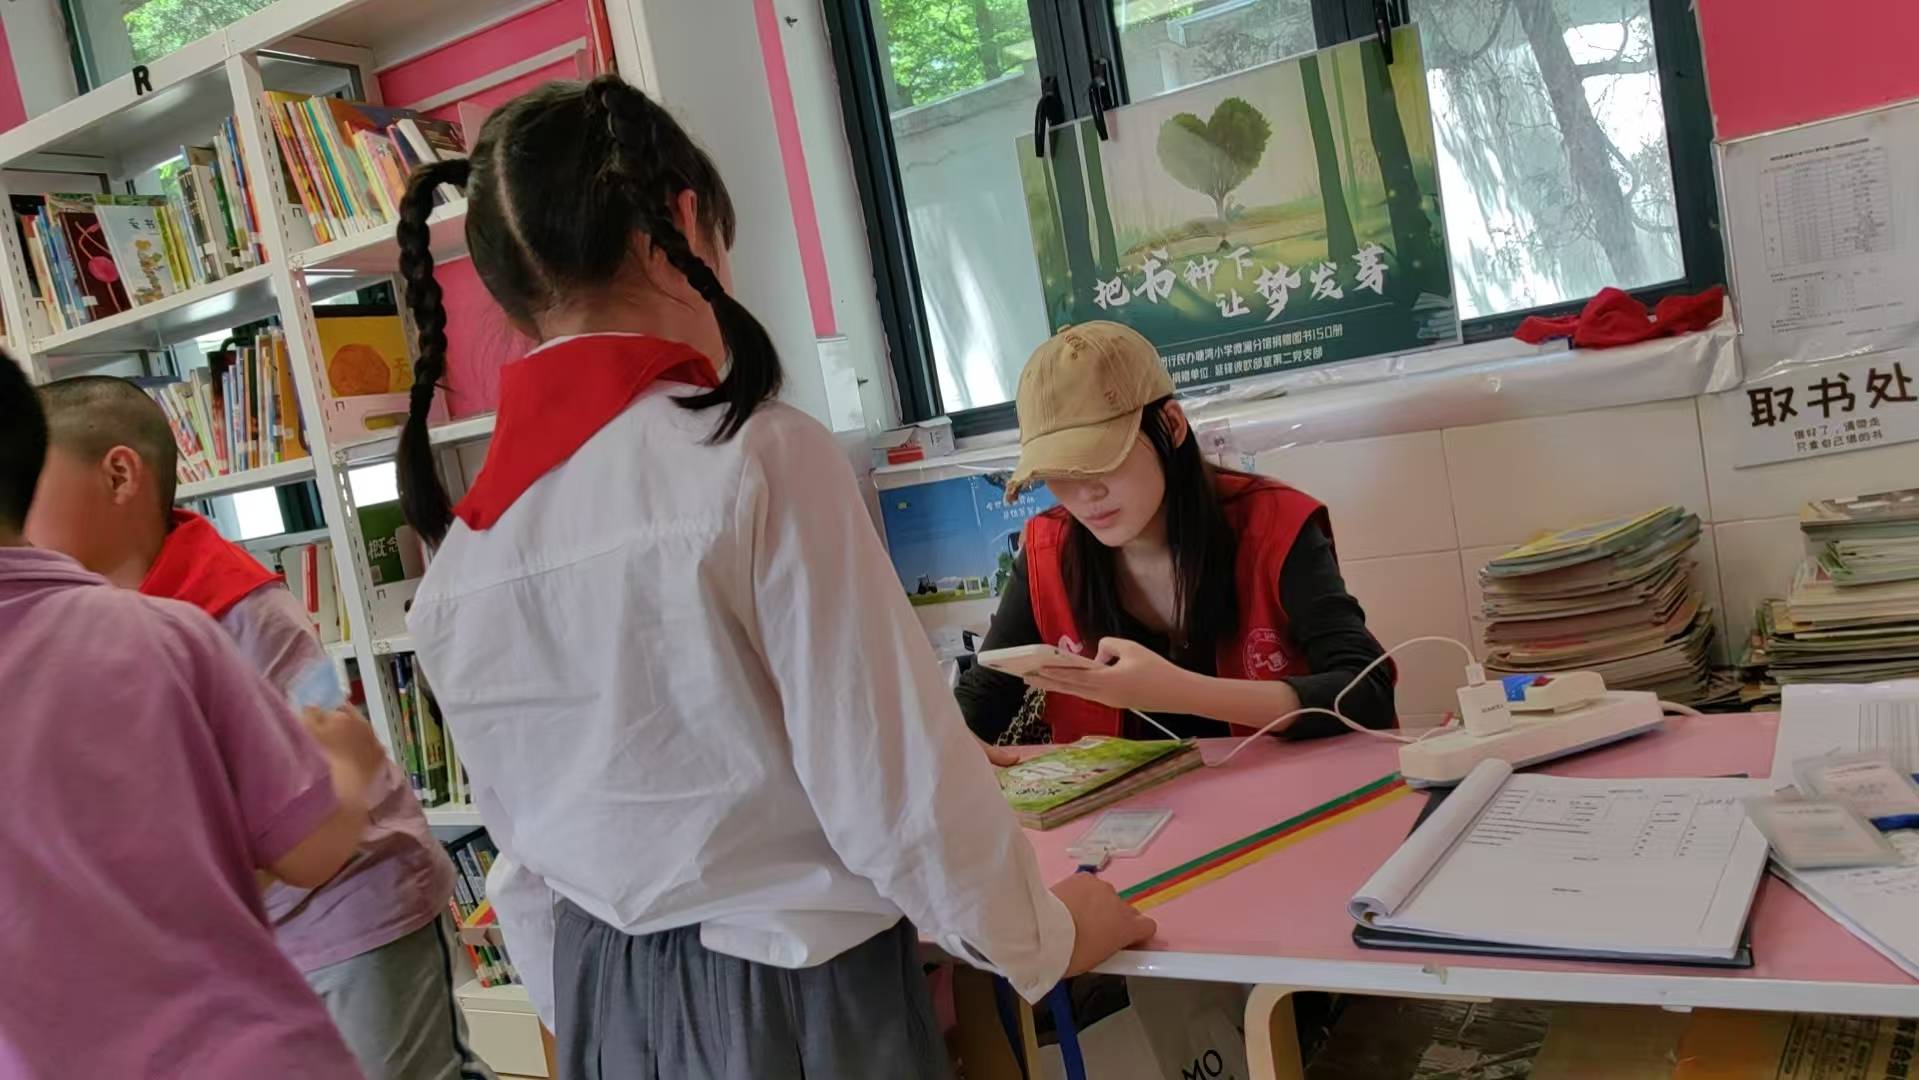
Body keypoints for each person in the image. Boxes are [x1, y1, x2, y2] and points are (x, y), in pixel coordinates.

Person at [390, 75, 1154, 1079]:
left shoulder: (466, 552)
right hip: (793, 1004)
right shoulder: (756, 457)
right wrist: (1048, 935)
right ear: (684, 221)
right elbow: (895, 797)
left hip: (603, 1002)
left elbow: (524, 868)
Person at [24, 376, 486, 1080]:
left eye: (27, 490)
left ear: (119, 476)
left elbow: (322, 784)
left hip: (351, 916)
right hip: (251, 935)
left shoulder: (240, 609)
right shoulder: (89, 625)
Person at [956, 321, 1396, 746]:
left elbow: (1366, 692)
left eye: (1105, 457)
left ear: (1171, 425)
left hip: (1288, 790)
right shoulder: (1048, 551)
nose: (1086, 493)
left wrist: (1180, 692)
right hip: (1131, 799)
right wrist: (956, 750)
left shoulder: (1274, 525)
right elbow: (981, 699)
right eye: (1060, 471)